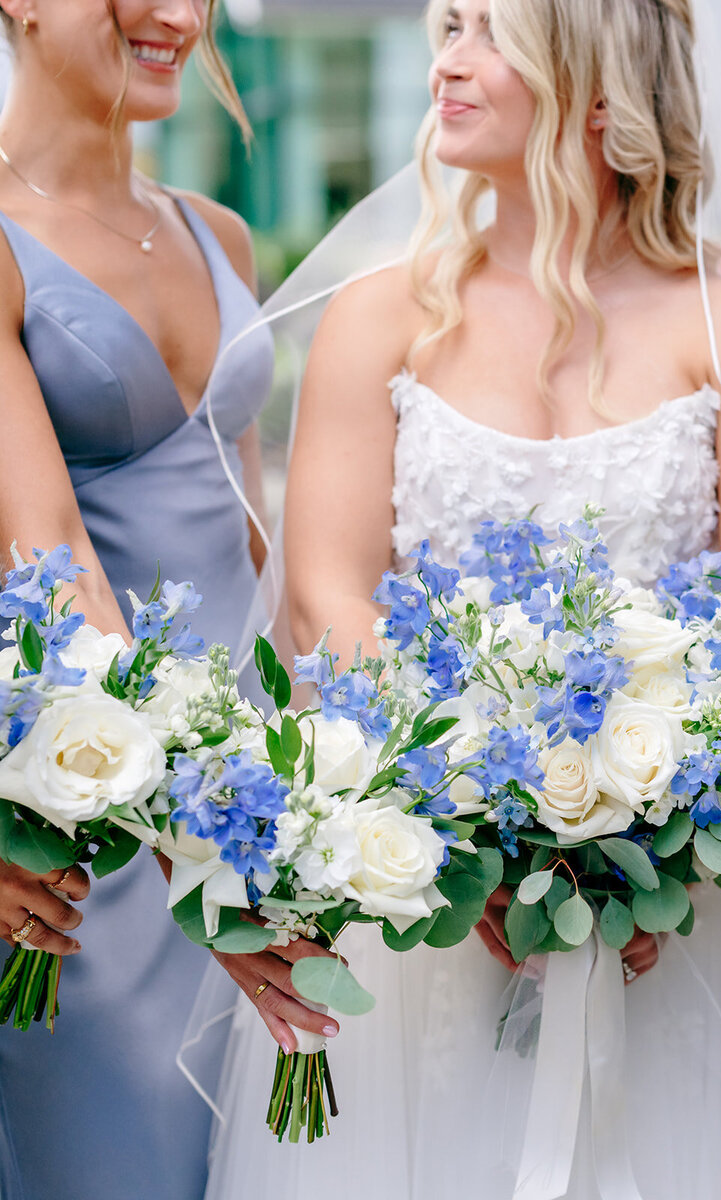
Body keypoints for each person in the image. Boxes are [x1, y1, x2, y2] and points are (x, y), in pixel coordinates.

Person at [203, 0, 721, 1197]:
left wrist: (637, 853)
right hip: (420, 889)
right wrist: (485, 821)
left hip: (678, 916)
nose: (448, 59)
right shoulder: (384, 316)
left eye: (487, 31)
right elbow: (326, 589)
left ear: (590, 83)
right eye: (445, 26)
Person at [0, 3, 335, 1198]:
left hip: (257, 805)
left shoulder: (220, 235)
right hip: (101, 820)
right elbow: (49, 560)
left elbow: (255, 547)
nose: (179, 17)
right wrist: (205, 864)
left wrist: (313, 809)